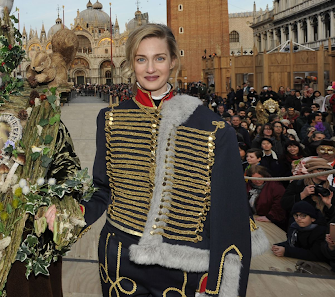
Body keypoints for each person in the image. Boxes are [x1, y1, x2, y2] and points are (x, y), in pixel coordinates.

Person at [83, 24, 251, 297]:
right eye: (141, 59)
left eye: (159, 58)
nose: (150, 68)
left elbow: (229, 216)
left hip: (185, 266)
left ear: (173, 61)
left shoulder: (214, 128)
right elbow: (102, 190)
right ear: (131, 64)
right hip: (119, 259)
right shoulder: (110, 119)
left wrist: (219, 283)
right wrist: (72, 214)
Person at [281, 157, 334, 224]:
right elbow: (284, 204)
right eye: (320, 169)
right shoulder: (297, 184)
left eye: (327, 170)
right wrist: (302, 195)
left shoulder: (330, 190)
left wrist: (329, 205)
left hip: (321, 229)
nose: (325, 173)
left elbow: (332, 218)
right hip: (298, 227)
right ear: (311, 171)